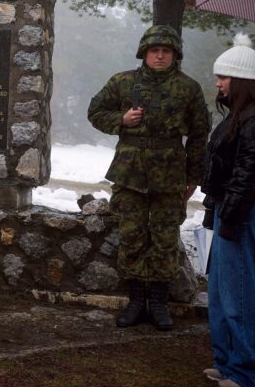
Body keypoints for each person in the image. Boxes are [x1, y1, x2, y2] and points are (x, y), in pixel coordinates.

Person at [88, 24, 209, 331]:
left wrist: (193, 177)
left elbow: (198, 136)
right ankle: (135, 301)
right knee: (131, 236)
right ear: (144, 52)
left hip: (170, 174)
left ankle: (158, 302)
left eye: (165, 51)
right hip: (130, 173)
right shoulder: (123, 81)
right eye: (154, 50)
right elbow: (95, 111)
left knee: (165, 238)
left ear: (174, 55)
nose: (159, 56)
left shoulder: (189, 88)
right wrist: (121, 120)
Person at [201, 33, 255, 387]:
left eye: (223, 77)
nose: (218, 83)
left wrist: (231, 217)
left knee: (243, 293)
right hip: (229, 210)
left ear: (240, 80)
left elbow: (251, 172)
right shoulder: (239, 115)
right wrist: (214, 209)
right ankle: (228, 363)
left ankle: (251, 373)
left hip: (244, 214)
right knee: (221, 292)